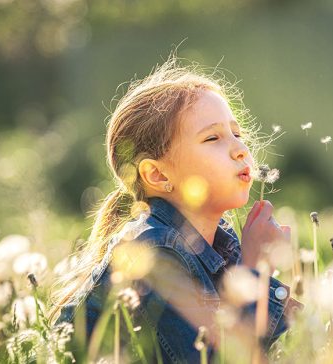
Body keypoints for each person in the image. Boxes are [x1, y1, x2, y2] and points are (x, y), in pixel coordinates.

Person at [49, 55, 302, 363]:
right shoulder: (153, 253)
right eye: (213, 138)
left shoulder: (217, 243)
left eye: (237, 134)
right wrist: (256, 270)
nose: (240, 150)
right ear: (158, 175)